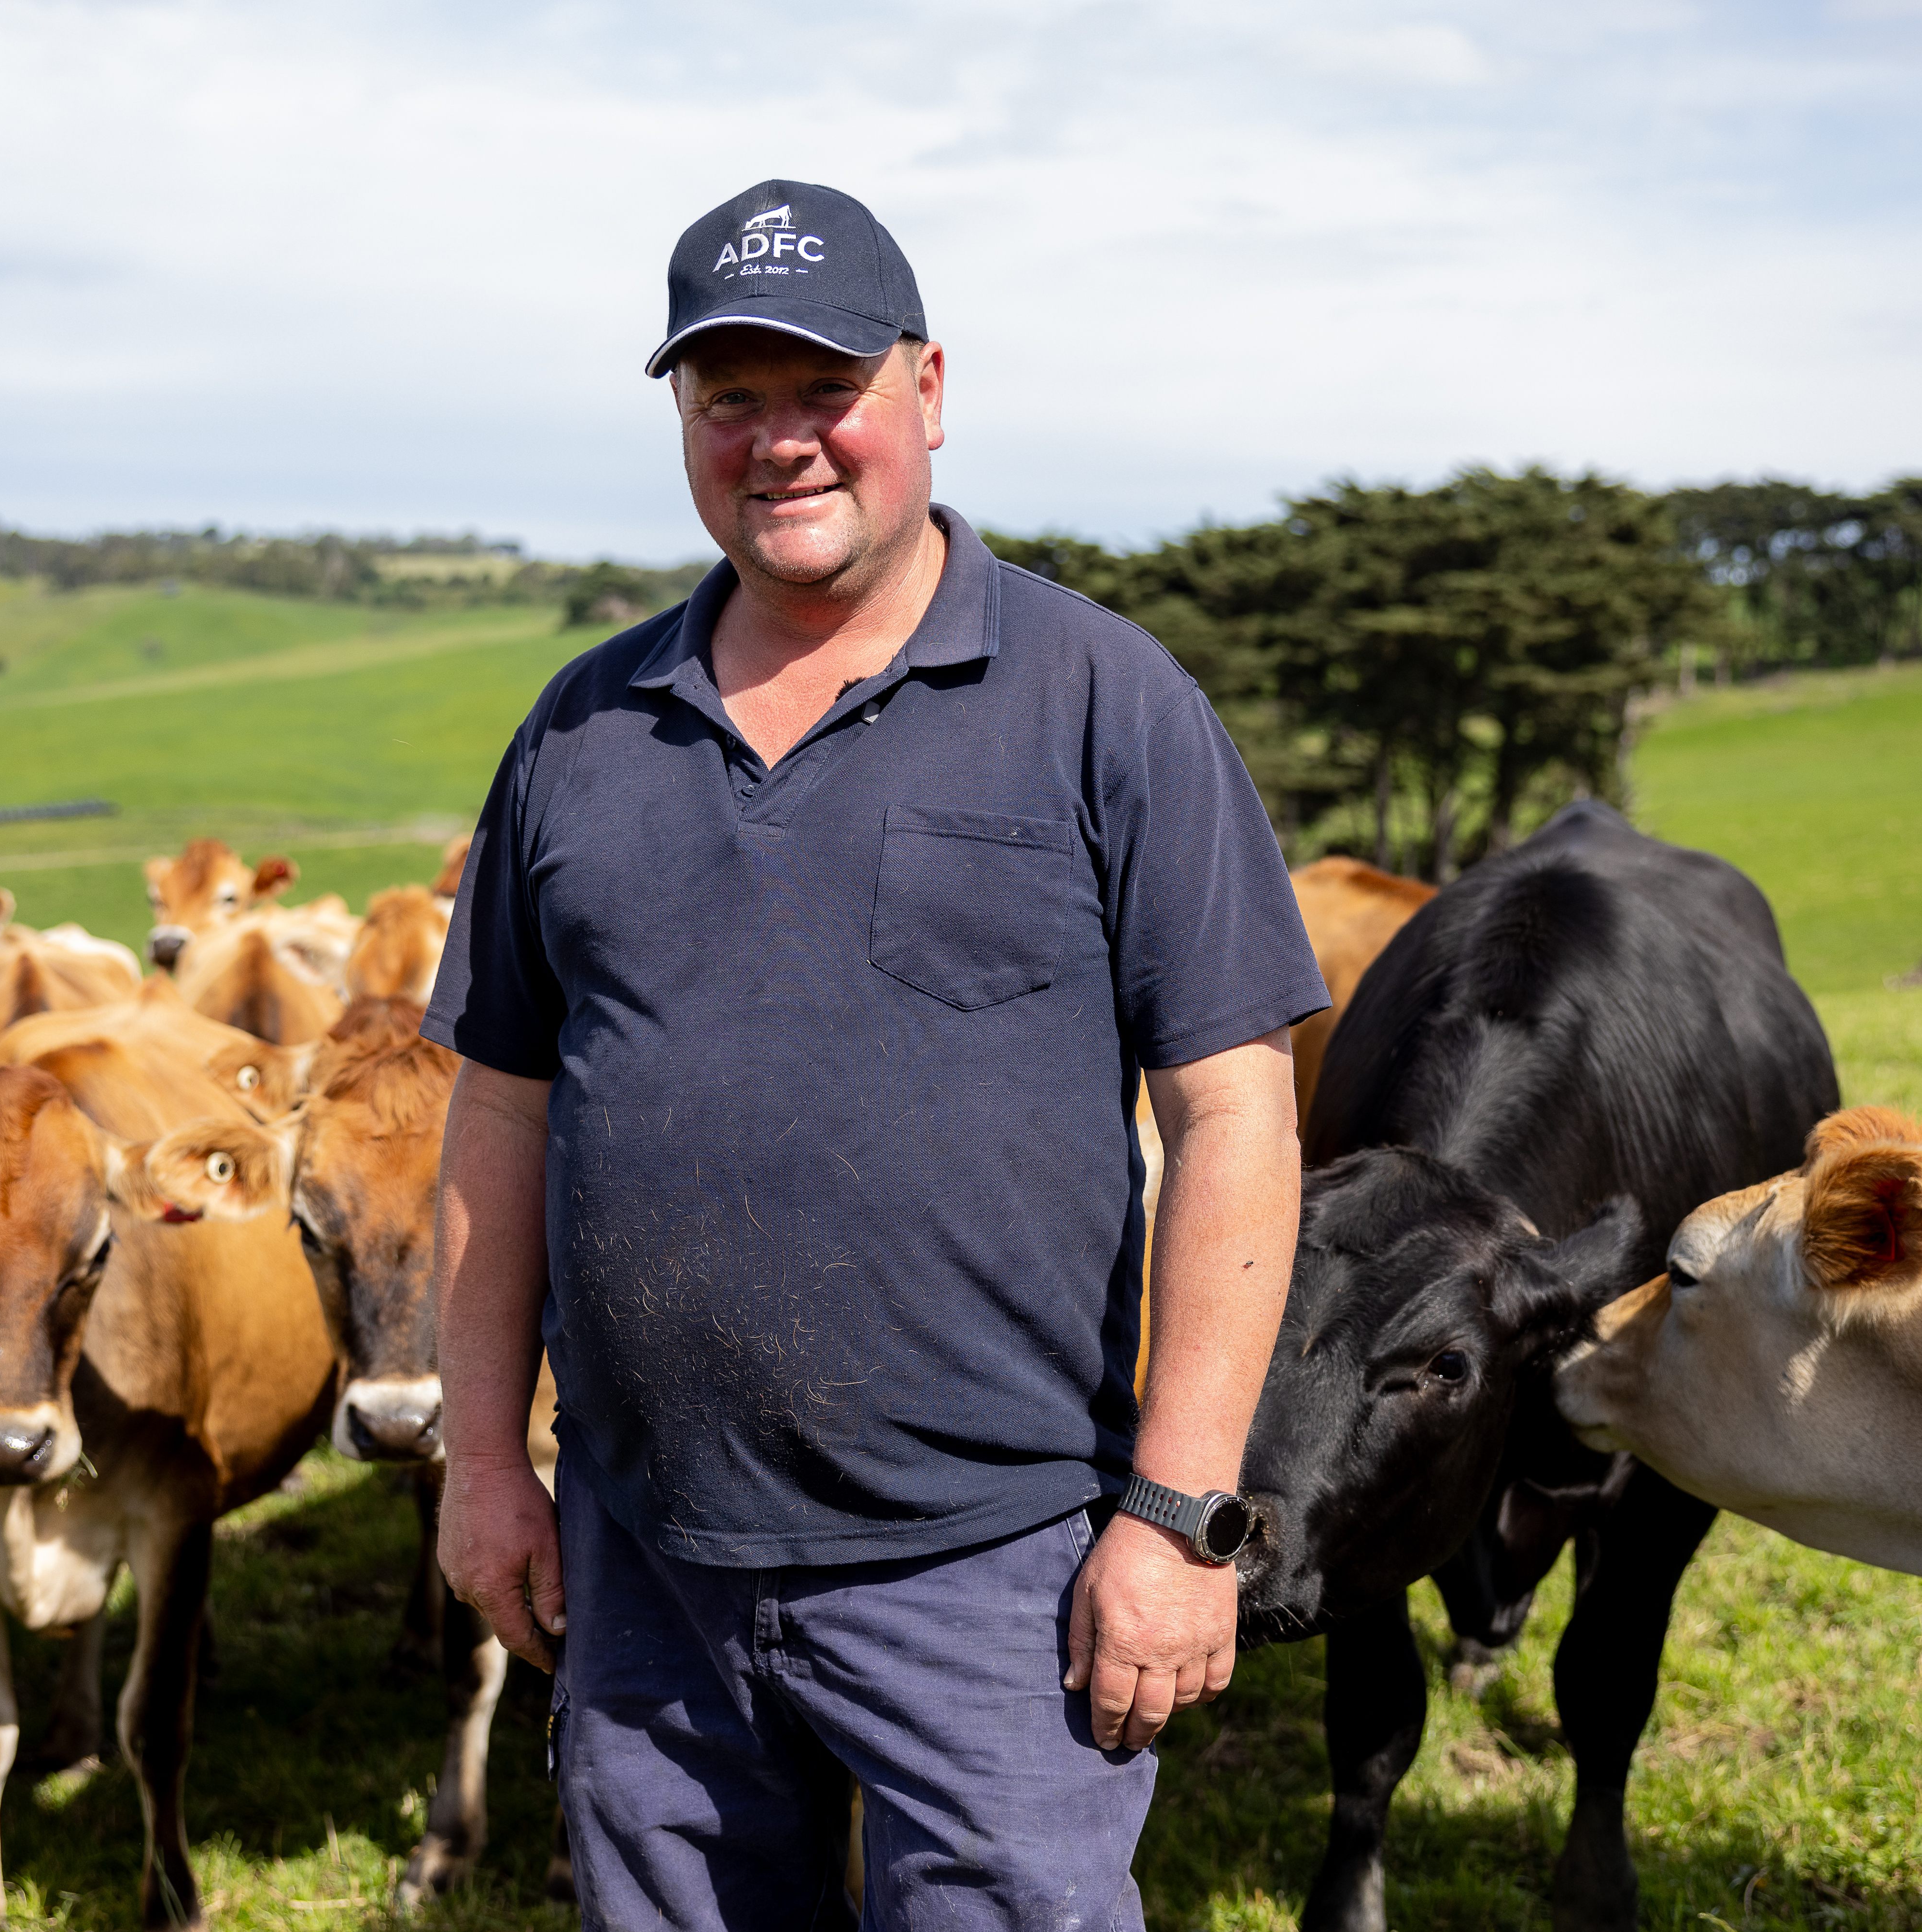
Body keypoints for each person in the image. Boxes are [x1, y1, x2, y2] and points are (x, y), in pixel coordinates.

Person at [422, 178, 1328, 1928]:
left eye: (825, 388)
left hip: (996, 1571)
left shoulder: (1103, 698)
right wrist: (480, 1462)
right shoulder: (583, 729)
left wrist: (1180, 1514)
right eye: (729, 398)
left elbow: (1234, 1114)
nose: (781, 441)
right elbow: (503, 1113)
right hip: (648, 1564)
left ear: (929, 387)